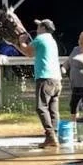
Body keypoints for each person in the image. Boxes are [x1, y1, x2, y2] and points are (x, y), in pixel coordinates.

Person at [15, 18, 61, 148]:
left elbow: (28, 53)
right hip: (56, 79)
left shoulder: (41, 38)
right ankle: (53, 136)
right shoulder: (52, 40)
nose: (37, 28)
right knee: (53, 109)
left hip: (45, 78)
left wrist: (21, 42)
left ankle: (50, 135)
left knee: (41, 107)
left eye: (39, 26)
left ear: (43, 28)